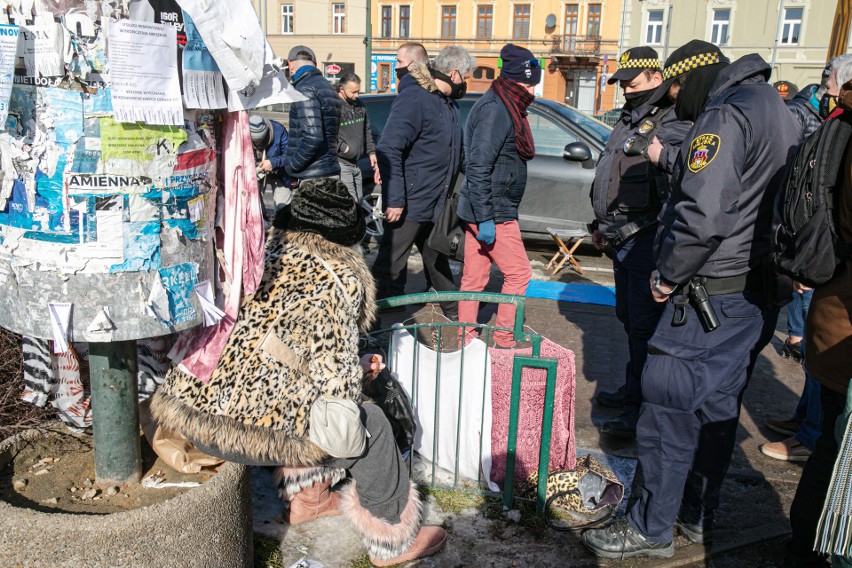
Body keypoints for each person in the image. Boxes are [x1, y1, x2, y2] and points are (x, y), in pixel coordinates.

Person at [149, 180, 447, 567]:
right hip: (251, 435)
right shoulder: (340, 277)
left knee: (300, 398)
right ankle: (391, 538)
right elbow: (336, 377)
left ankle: (309, 501)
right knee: (367, 421)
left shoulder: (257, 249)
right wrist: (361, 375)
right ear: (347, 233)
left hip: (189, 412)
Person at [583, 40, 800, 559]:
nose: (676, 97)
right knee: (716, 413)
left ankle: (649, 528)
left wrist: (666, 274)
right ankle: (695, 515)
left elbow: (702, 214)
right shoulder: (778, 108)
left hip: (708, 297)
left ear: (695, 76)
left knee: (665, 413)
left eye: (677, 86)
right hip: (752, 293)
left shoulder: (724, 116)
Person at [588, 46, 691, 438]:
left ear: (655, 78)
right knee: (630, 323)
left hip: (646, 242)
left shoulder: (671, 118)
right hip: (620, 240)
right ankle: (633, 391)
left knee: (645, 330)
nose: (625, 88)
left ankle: (639, 412)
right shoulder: (629, 117)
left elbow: (671, 183)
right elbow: (611, 173)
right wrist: (599, 222)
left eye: (633, 81)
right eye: (622, 81)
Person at [762, 55, 852, 463]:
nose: (823, 90)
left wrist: (814, 256)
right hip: (822, 259)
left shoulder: (842, 126)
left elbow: (831, 203)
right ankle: (806, 423)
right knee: (817, 354)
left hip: (831, 266)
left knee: (824, 355)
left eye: (828, 83)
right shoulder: (834, 120)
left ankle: (811, 437)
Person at [787, 80, 852, 568]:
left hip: (836, 310)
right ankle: (812, 550)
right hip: (845, 321)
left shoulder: (841, 123)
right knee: (835, 447)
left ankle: (805, 548)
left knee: (831, 444)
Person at [372, 44, 475, 320]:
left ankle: (455, 313)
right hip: (409, 202)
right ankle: (378, 326)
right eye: (466, 76)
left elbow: (456, 153)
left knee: (436, 257)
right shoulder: (415, 98)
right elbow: (389, 148)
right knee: (390, 266)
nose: (466, 83)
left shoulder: (449, 105)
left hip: (435, 201)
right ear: (455, 73)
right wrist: (394, 199)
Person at [455, 44, 538, 349]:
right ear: (514, 80)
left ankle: (466, 340)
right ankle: (504, 337)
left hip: (484, 208)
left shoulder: (504, 103)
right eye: (528, 84)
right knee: (519, 273)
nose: (532, 91)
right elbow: (477, 166)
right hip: (493, 210)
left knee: (474, 278)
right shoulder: (496, 109)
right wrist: (487, 217)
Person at [285, 45, 342, 186]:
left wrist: (292, 166)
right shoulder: (328, 87)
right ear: (315, 65)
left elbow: (313, 137)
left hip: (312, 176)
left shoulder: (304, 88)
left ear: (290, 64)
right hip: (328, 170)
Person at [336, 73, 378, 203]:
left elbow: (367, 130)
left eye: (358, 91)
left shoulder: (359, 105)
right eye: (353, 92)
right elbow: (328, 133)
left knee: (358, 202)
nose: (357, 95)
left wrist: (371, 152)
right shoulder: (334, 107)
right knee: (351, 204)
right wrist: (344, 148)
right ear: (341, 89)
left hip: (356, 163)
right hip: (342, 164)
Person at [249, 114, 290, 214]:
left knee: (284, 206)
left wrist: (273, 162)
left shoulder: (278, 130)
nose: (258, 143)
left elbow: (290, 155)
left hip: (279, 172)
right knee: (254, 203)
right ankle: (262, 222)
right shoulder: (242, 134)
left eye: (260, 140)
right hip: (255, 174)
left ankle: (281, 226)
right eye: (255, 141)